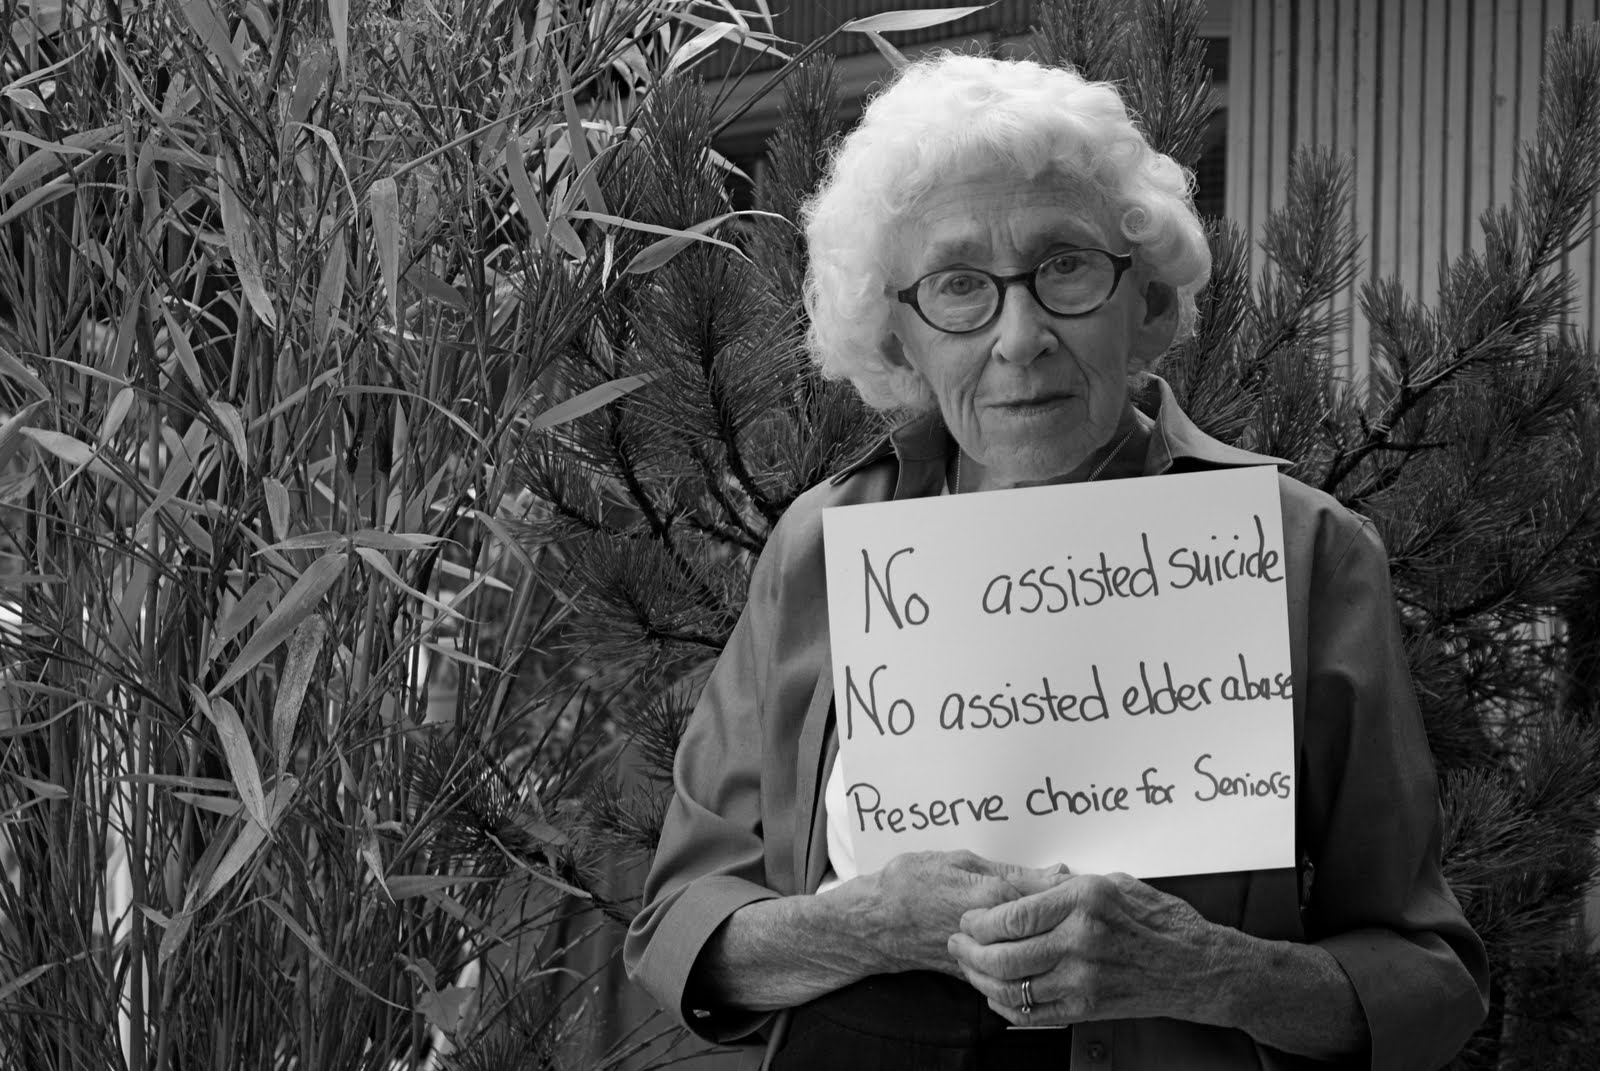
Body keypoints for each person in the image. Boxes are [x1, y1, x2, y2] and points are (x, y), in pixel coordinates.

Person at [625, 52, 1488, 1070]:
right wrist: (868, 925)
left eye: (1066, 266)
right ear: (897, 340)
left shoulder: (1302, 553)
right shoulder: (820, 547)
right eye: (957, 286)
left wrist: (1205, 971)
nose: (1020, 336)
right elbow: (681, 927)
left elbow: (1429, 984)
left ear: (1147, 303)